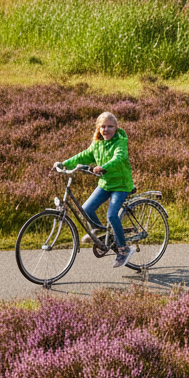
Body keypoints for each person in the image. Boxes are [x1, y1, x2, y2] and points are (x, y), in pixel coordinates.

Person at [56, 111, 136, 268]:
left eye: (110, 126)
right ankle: (101, 234)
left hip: (121, 185)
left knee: (112, 215)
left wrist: (103, 167)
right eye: (103, 126)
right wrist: (64, 164)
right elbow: (83, 156)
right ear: (98, 128)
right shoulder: (97, 144)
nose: (106, 130)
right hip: (106, 183)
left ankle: (123, 249)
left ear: (116, 127)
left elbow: (119, 158)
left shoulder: (120, 142)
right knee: (86, 209)